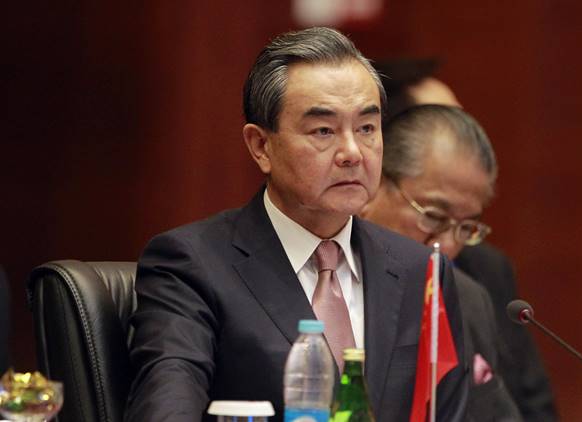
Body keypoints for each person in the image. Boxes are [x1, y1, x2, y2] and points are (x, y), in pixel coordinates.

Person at [125, 27, 467, 422]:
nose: (353, 153)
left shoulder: (422, 270)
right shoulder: (191, 264)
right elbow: (166, 411)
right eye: (323, 130)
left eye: (367, 128)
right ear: (261, 146)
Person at [361, 104, 557, 422]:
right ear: (371, 187)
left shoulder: (468, 300)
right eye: (434, 217)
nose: (447, 246)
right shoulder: (327, 284)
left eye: (465, 228)